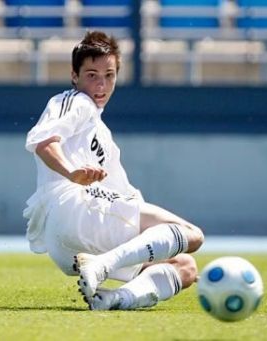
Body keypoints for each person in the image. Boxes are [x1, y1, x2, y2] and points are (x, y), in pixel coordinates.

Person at [23, 31, 205, 310]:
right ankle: (102, 265)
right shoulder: (73, 101)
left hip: (69, 246)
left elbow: (126, 200)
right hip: (71, 207)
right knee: (192, 235)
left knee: (185, 267)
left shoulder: (104, 139)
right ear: (74, 76)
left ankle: (114, 298)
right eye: (92, 75)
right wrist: (72, 172)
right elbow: (45, 142)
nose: (101, 85)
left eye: (109, 75)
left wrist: (160, 249)